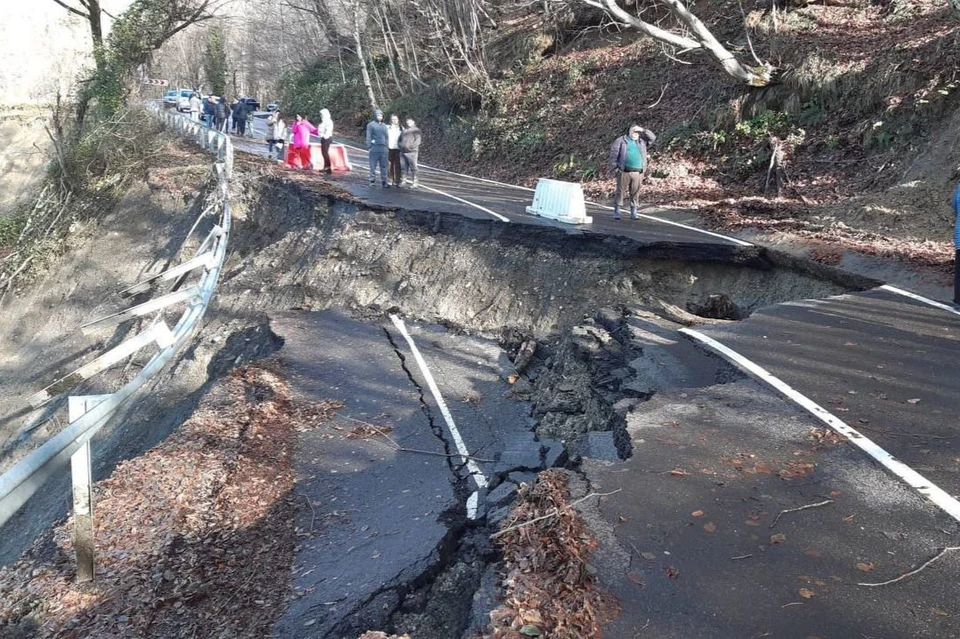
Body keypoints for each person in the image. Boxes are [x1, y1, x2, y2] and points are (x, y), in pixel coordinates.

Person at [607, 124, 656, 220]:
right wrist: (615, 168)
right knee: (620, 191)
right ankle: (617, 210)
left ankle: (634, 211)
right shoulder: (621, 141)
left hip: (638, 172)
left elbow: (652, 138)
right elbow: (614, 154)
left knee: (635, 192)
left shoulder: (641, 142)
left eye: (637, 132)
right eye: (633, 131)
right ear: (629, 131)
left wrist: (643, 130)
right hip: (624, 170)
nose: (635, 134)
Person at [365, 109, 389, 187]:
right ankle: (372, 180)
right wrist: (369, 146)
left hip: (383, 148)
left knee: (384, 166)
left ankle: (384, 181)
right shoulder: (370, 125)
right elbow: (368, 136)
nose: (380, 117)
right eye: (378, 115)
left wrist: (387, 146)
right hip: (374, 147)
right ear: (375, 116)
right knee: (373, 165)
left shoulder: (385, 126)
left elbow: (387, 137)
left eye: (381, 115)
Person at [399, 117, 422, 188]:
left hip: (412, 152)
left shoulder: (416, 130)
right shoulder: (404, 130)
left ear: (413, 121)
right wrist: (400, 145)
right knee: (403, 167)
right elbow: (399, 140)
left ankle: (415, 183)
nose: (408, 122)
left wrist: (411, 147)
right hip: (403, 152)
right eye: (407, 121)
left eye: (410, 121)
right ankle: (403, 181)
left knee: (413, 167)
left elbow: (418, 141)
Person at [386, 114, 402, 187]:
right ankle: (390, 180)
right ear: (391, 120)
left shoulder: (401, 128)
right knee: (389, 165)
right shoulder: (387, 128)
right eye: (393, 119)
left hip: (398, 149)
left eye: (395, 119)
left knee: (398, 165)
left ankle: (397, 181)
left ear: (398, 120)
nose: (394, 121)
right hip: (389, 148)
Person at [318, 108, 334, 174]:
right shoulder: (323, 121)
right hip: (323, 137)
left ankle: (328, 168)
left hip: (327, 138)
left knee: (325, 153)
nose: (321, 116)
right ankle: (325, 167)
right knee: (324, 153)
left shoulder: (328, 121)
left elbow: (328, 130)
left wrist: (324, 136)